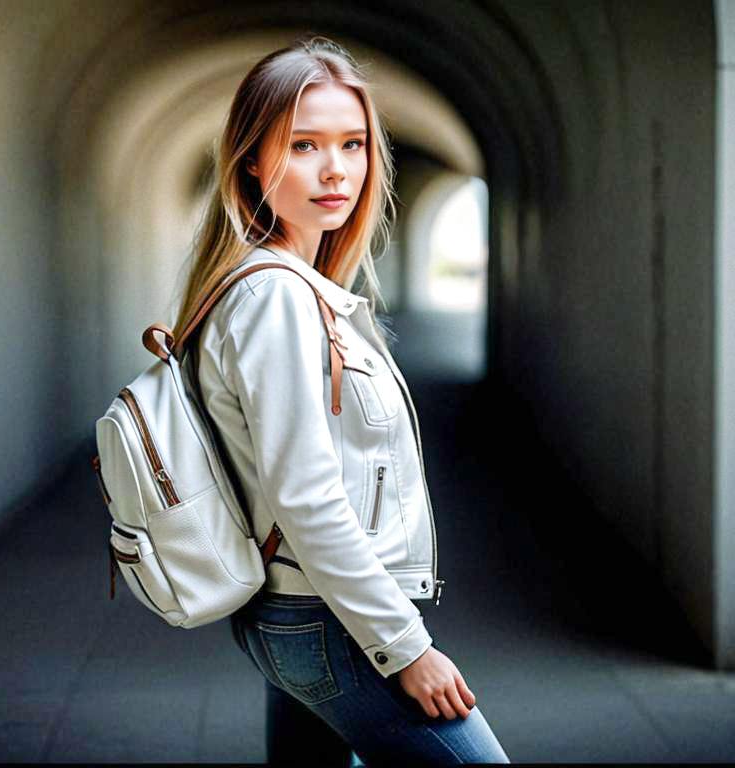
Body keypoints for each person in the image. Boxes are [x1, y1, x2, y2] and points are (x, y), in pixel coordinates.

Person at [171, 35, 511, 766]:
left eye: (353, 143)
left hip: (302, 612)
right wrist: (405, 648)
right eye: (303, 145)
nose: (337, 170)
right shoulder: (275, 298)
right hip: (329, 622)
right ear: (253, 162)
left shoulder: (282, 286)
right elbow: (306, 496)